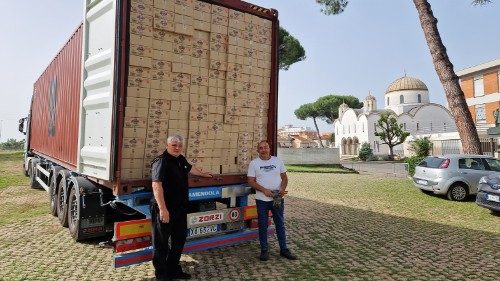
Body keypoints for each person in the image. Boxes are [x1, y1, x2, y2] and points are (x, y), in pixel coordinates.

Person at [150, 135, 212, 281]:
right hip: (164, 208)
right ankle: (161, 274)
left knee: (179, 239)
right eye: (174, 145)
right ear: (167, 146)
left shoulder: (180, 159)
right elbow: (156, 185)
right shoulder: (161, 161)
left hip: (179, 208)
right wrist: (163, 209)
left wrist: (204, 174)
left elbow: (190, 168)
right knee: (161, 242)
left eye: (179, 145)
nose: (177, 148)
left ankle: (173, 269)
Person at [247, 140, 297, 261]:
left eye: (266, 147)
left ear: (269, 148)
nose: (264, 150)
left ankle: (284, 249)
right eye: (261, 148)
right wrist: (264, 190)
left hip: (277, 198)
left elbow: (284, 178)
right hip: (262, 200)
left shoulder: (277, 161)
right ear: (258, 150)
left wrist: (282, 189)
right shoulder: (254, 164)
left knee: (280, 223)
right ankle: (264, 250)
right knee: (263, 225)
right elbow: (250, 181)